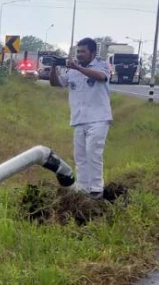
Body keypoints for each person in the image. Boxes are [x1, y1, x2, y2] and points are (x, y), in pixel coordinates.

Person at [48, 37, 112, 198]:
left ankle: (96, 189)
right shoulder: (72, 70)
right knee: (80, 156)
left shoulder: (101, 65)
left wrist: (78, 67)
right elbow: (57, 83)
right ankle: (83, 189)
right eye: (78, 51)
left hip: (98, 118)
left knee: (93, 153)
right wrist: (54, 67)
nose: (80, 54)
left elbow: (101, 77)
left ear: (92, 52)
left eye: (83, 51)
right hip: (78, 119)